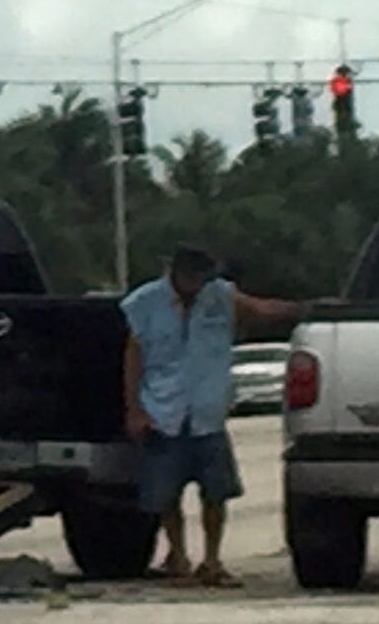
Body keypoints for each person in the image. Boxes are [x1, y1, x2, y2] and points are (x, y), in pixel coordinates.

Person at [121, 246, 302, 588]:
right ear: (175, 272)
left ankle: (212, 559)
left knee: (216, 492)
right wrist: (135, 410)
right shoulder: (144, 302)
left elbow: (260, 309)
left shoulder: (220, 295)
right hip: (164, 409)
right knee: (166, 495)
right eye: (192, 276)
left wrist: (303, 310)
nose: (198, 284)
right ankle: (178, 557)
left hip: (207, 411)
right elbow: (134, 357)